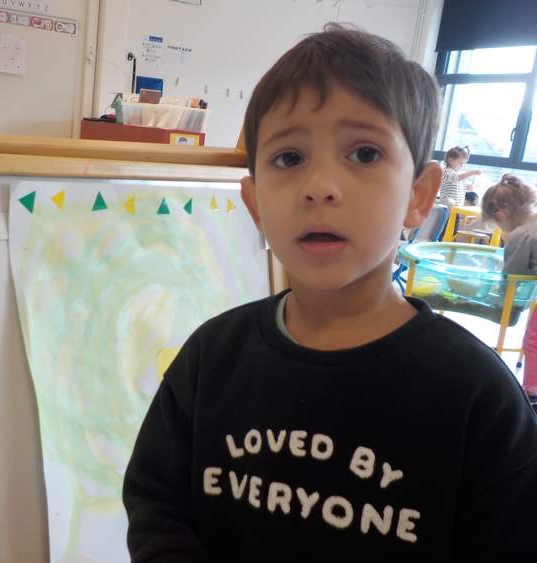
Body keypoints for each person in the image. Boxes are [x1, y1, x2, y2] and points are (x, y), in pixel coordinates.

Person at [123, 23, 537, 562]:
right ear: (254, 204)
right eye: (288, 158)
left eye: (364, 154)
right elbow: (156, 506)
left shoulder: (478, 397)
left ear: (419, 196)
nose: (320, 187)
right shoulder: (211, 357)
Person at [482, 174, 537, 409]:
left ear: (500, 216)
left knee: (533, 340)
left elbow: (511, 278)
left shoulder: (520, 235)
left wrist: (493, 295)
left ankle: (532, 392)